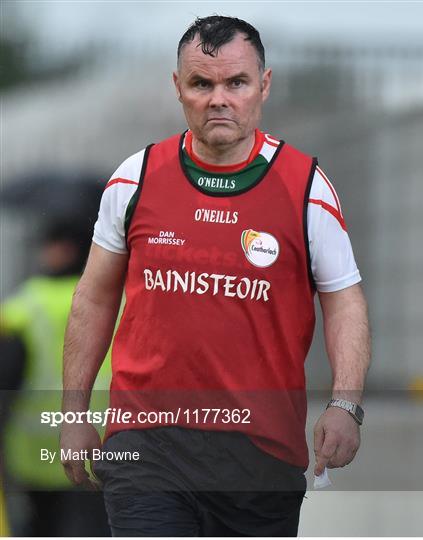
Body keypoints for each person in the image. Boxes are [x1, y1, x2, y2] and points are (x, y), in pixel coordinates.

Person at [61, 15, 371, 537]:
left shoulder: (307, 188)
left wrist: (346, 404)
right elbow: (93, 298)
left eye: (236, 83)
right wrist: (73, 413)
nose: (218, 99)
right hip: (146, 442)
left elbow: (345, 302)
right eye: (202, 84)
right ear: (178, 87)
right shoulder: (134, 179)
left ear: (264, 86)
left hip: (259, 453)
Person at [0, 220, 111, 536]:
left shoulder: (26, 304)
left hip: (36, 455)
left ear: (66, 249)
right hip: (105, 446)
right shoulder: (116, 300)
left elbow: (6, 378)